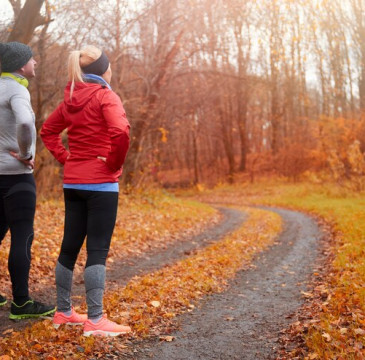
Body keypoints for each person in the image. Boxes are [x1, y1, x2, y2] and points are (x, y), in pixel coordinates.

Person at [40, 45, 131, 336]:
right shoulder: (106, 96)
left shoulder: (71, 97)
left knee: (69, 247)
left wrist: (68, 159)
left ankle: (64, 312)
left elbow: (48, 131)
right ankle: (95, 320)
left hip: (73, 183)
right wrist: (114, 165)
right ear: (104, 70)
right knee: (97, 250)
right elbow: (121, 132)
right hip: (101, 184)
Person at [0, 42, 56, 319]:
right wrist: (26, 154)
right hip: (16, 177)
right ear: (21, 65)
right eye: (32, 60)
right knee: (22, 236)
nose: (35, 64)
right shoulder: (17, 90)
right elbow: (24, 123)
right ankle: (21, 303)